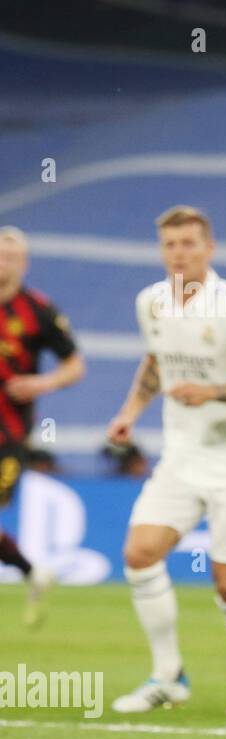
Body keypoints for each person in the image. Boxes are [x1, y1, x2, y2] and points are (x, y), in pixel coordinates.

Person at [106, 206, 226, 717]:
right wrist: (130, 413)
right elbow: (156, 361)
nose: (179, 253)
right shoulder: (152, 303)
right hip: (180, 456)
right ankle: (168, 676)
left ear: (209, 248)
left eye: (189, 244)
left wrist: (212, 392)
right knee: (140, 554)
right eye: (170, 245)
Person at [0, 226, 86, 626]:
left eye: (11, 255)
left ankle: (32, 572)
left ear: (24, 263)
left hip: (9, 433)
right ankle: (34, 572)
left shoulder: (38, 310)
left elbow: (75, 364)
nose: (3, 260)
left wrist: (42, 382)